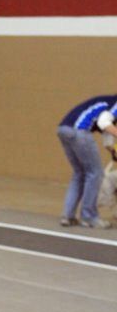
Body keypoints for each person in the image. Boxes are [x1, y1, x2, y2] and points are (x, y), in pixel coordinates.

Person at [57, 95, 117, 229]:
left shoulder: (107, 103)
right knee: (95, 173)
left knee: (79, 173)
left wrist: (112, 150)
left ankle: (68, 216)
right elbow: (104, 123)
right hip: (79, 131)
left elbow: (106, 132)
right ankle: (89, 217)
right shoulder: (115, 105)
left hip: (64, 129)